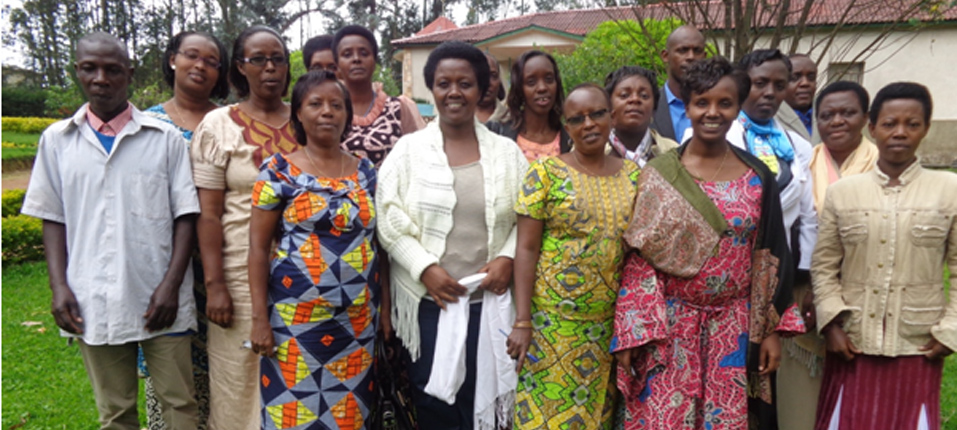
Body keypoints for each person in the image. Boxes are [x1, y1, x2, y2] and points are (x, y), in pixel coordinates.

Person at [612, 56, 805, 430]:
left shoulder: (757, 176)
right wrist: (634, 329)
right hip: (668, 329)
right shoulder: (660, 174)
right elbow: (640, 258)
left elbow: (770, 257)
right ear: (687, 107)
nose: (712, 113)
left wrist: (769, 332)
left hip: (733, 328)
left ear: (738, 108)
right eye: (702, 103)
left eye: (725, 103)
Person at [21, 32, 201, 429]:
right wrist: (59, 288)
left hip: (161, 297)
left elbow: (186, 216)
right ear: (77, 73)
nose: (101, 78)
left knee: (179, 405)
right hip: (92, 298)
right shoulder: (57, 141)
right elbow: (53, 217)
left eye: (113, 69)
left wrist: (171, 286)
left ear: (129, 74)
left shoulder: (164, 138)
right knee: (115, 412)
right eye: (90, 68)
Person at [377, 41, 528, 430]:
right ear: (431, 89)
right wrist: (424, 267)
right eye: (444, 83)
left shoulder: (508, 154)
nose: (454, 92)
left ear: (483, 89)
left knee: (484, 404)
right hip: (430, 305)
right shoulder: (408, 151)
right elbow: (388, 218)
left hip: (489, 305)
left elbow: (528, 218)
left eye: (465, 83)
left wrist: (508, 258)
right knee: (434, 406)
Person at [812, 82, 957, 430]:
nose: (900, 133)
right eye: (890, 124)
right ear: (872, 128)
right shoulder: (842, 193)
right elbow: (824, 267)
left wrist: (950, 330)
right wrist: (831, 324)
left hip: (918, 342)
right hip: (853, 341)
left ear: (926, 128)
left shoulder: (949, 190)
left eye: (912, 124)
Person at [247, 70, 383, 429]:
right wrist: (261, 319)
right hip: (295, 323)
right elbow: (258, 249)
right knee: (293, 414)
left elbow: (378, 245)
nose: (327, 112)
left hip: (356, 324)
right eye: (316, 104)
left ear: (347, 116)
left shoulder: (366, 172)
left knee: (350, 417)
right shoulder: (277, 171)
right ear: (299, 114)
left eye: (337, 105)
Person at [509, 83, 640, 430]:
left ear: (611, 118)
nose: (589, 124)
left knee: (598, 417)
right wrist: (523, 321)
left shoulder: (634, 177)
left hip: (607, 327)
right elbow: (526, 249)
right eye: (577, 119)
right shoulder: (545, 175)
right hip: (552, 326)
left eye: (597, 114)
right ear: (566, 127)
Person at [190, 25, 298, 430]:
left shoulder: (305, 118)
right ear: (240, 67)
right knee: (238, 376)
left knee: (293, 373)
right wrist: (215, 283)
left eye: (278, 59)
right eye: (258, 59)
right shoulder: (218, 126)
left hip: (303, 277)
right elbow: (209, 214)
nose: (270, 68)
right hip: (236, 275)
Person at [140, 29, 229, 430]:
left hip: (223, 262)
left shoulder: (229, 121)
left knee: (224, 364)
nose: (201, 66)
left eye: (212, 61)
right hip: (162, 264)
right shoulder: (145, 125)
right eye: (192, 56)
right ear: (173, 59)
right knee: (170, 369)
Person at [776, 80, 875, 430]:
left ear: (866, 118)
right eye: (827, 115)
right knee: (801, 406)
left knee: (857, 407)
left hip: (867, 298)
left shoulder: (885, 167)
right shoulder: (804, 164)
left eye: (847, 113)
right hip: (806, 294)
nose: (836, 121)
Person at [333, 25, 425, 166]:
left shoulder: (397, 109)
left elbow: (419, 159)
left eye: (364, 53)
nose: (356, 59)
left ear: (375, 61)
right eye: (347, 54)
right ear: (337, 66)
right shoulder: (329, 111)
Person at [486, 50, 571, 161]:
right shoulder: (496, 134)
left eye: (549, 79)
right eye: (531, 82)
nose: (542, 88)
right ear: (519, 89)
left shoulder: (570, 140)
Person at [604, 65, 679, 167]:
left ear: (654, 108)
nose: (635, 99)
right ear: (608, 105)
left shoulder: (674, 152)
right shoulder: (591, 152)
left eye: (644, 95)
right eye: (624, 95)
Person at [651, 25, 707, 141]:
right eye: (683, 50)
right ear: (665, 56)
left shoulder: (718, 108)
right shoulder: (650, 106)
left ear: (704, 56)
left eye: (697, 51)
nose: (691, 57)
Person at [779, 54, 818, 141]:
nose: (805, 83)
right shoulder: (769, 119)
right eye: (795, 78)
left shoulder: (829, 114)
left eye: (811, 77)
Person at [476, 52, 507, 123]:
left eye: (493, 75)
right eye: (481, 75)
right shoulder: (458, 118)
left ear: (499, 81)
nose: (487, 83)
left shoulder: (512, 120)